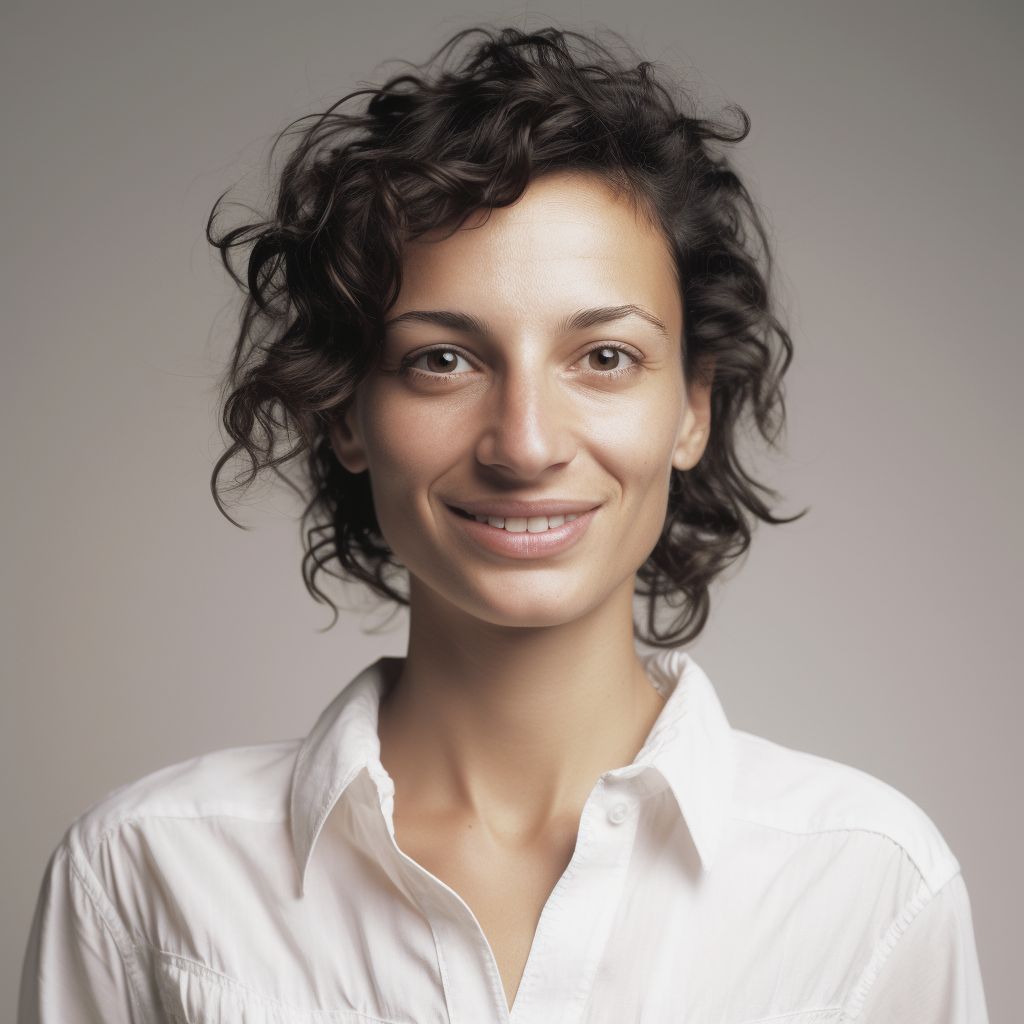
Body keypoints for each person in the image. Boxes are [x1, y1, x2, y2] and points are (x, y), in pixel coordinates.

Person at [19, 26, 987, 1024]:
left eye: (604, 357)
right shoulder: (145, 874)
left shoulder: (869, 889)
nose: (523, 445)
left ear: (693, 406)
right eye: (442, 360)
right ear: (348, 411)